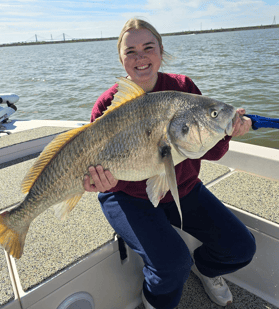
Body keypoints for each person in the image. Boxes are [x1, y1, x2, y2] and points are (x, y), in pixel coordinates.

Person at [84, 18, 256, 309]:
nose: (141, 57)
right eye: (131, 51)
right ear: (121, 58)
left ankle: (206, 269)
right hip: (125, 195)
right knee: (173, 264)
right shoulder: (107, 104)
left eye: (148, 47)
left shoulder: (182, 87)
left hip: (183, 187)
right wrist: (102, 180)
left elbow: (209, 152)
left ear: (161, 51)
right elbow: (92, 162)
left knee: (241, 247)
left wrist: (228, 130)